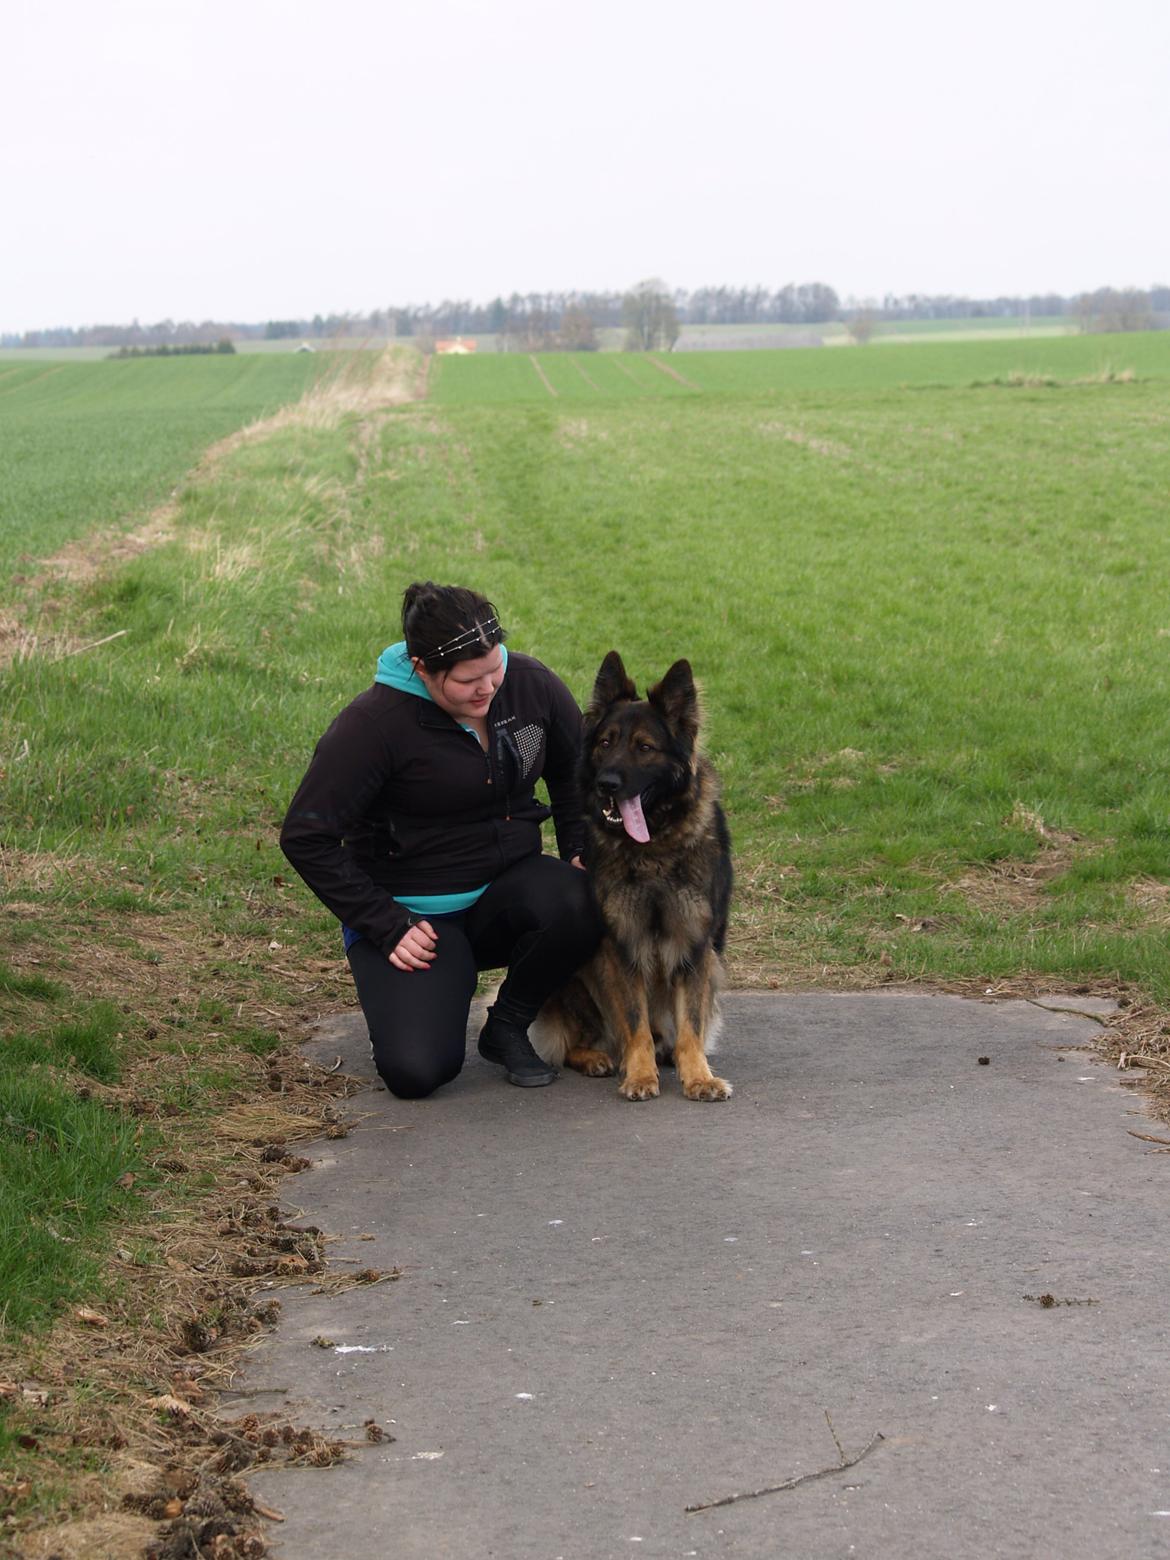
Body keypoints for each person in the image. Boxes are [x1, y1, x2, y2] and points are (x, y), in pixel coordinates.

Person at [280, 582, 602, 1099]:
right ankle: (428, 991)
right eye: (467, 681)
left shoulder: (531, 684)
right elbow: (306, 836)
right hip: (416, 919)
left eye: (494, 668)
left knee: (582, 897)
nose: (488, 689)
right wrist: (384, 924)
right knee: (417, 1072)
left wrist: (577, 847)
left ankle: (508, 1024)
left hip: (508, 892)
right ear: (421, 668)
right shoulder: (372, 726)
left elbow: (572, 770)